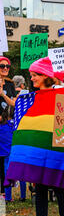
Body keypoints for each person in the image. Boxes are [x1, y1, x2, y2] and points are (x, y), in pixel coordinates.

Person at [24, 58, 64, 216]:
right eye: (31, 75)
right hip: (38, 149)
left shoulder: (61, 94)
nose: (32, 79)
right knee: (41, 187)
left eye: (35, 75)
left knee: (60, 186)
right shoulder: (32, 97)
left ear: (45, 76)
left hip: (57, 148)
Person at [0, 56, 16, 194]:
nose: (5, 68)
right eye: (2, 66)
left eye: (7, 66)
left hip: (7, 126)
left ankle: (4, 194)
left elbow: (14, 103)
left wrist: (2, 95)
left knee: (5, 158)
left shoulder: (10, 84)